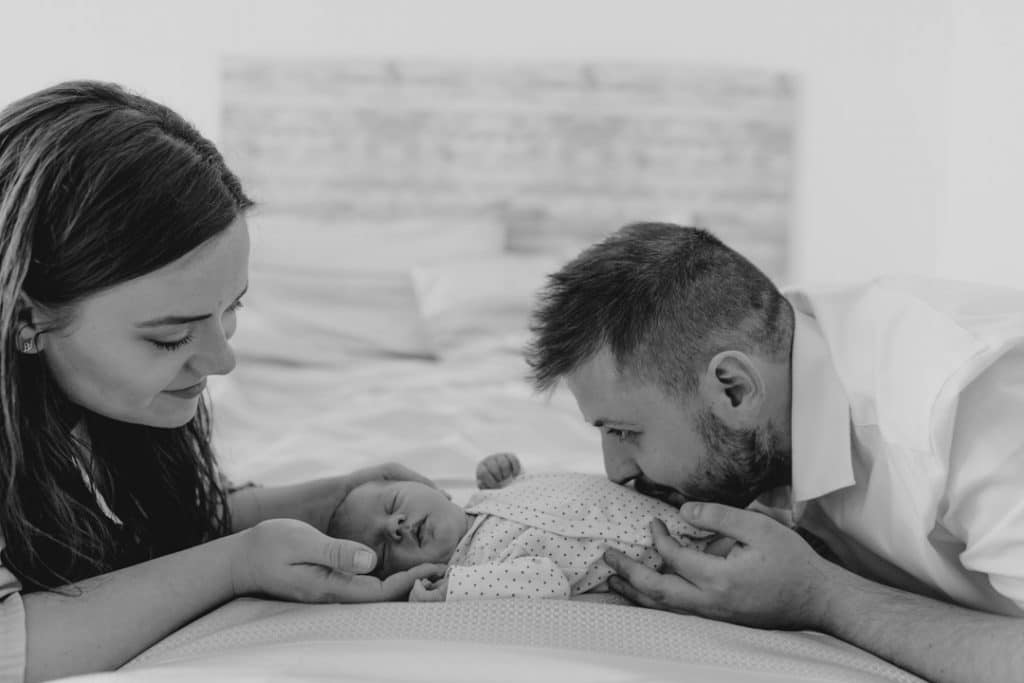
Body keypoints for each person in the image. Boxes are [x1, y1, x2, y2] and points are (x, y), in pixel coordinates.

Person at [0, 81, 447, 682]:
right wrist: (235, 565)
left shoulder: (88, 403)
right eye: (168, 337)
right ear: (28, 315)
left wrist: (333, 498)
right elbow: (13, 651)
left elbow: (145, 529)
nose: (221, 360)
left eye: (231, 308)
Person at [524, 221, 1024, 683]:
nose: (616, 472)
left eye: (624, 431)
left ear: (734, 389)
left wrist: (822, 597)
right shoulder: (774, 364)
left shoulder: (970, 405)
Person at [326, 452, 711, 601]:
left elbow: (559, 486)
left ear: (430, 487)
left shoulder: (488, 497)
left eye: (393, 505)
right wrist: (455, 588)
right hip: (684, 558)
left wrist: (511, 474)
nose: (395, 526)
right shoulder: (473, 568)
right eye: (384, 549)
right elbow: (548, 580)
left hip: (677, 503)